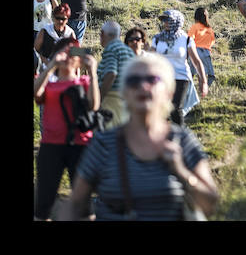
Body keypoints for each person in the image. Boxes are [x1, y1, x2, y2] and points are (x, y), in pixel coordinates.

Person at [60, 52, 219, 221]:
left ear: (169, 93)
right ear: (124, 93)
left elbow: (211, 204)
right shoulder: (103, 144)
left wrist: (181, 172)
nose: (143, 86)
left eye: (152, 80)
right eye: (134, 81)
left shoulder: (183, 141)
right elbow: (74, 205)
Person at [34, 37, 100, 221]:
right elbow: (36, 94)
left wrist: (93, 71)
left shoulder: (85, 81)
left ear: (79, 58)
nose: (70, 56)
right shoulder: (50, 83)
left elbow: (94, 105)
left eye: (74, 52)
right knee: (44, 201)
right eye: (65, 52)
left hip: (80, 145)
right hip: (51, 146)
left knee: (84, 203)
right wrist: (51, 65)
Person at [150, 10, 209, 126]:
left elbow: (197, 62)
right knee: (162, 109)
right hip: (162, 78)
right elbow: (150, 59)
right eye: (164, 20)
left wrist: (203, 81)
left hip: (181, 77)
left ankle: (181, 136)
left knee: (175, 108)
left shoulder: (186, 39)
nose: (165, 23)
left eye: (168, 20)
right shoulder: (157, 39)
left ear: (176, 21)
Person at [98, 20, 136, 128]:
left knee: (109, 135)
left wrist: (99, 99)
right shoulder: (128, 51)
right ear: (119, 35)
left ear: (102, 34)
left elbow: (111, 73)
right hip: (126, 99)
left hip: (111, 99)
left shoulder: (111, 49)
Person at [187, 7, 216, 89]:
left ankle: (188, 90)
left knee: (190, 73)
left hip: (195, 51)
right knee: (202, 73)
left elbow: (190, 39)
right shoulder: (209, 29)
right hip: (206, 52)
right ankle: (202, 91)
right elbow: (213, 41)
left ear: (195, 17)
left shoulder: (195, 27)